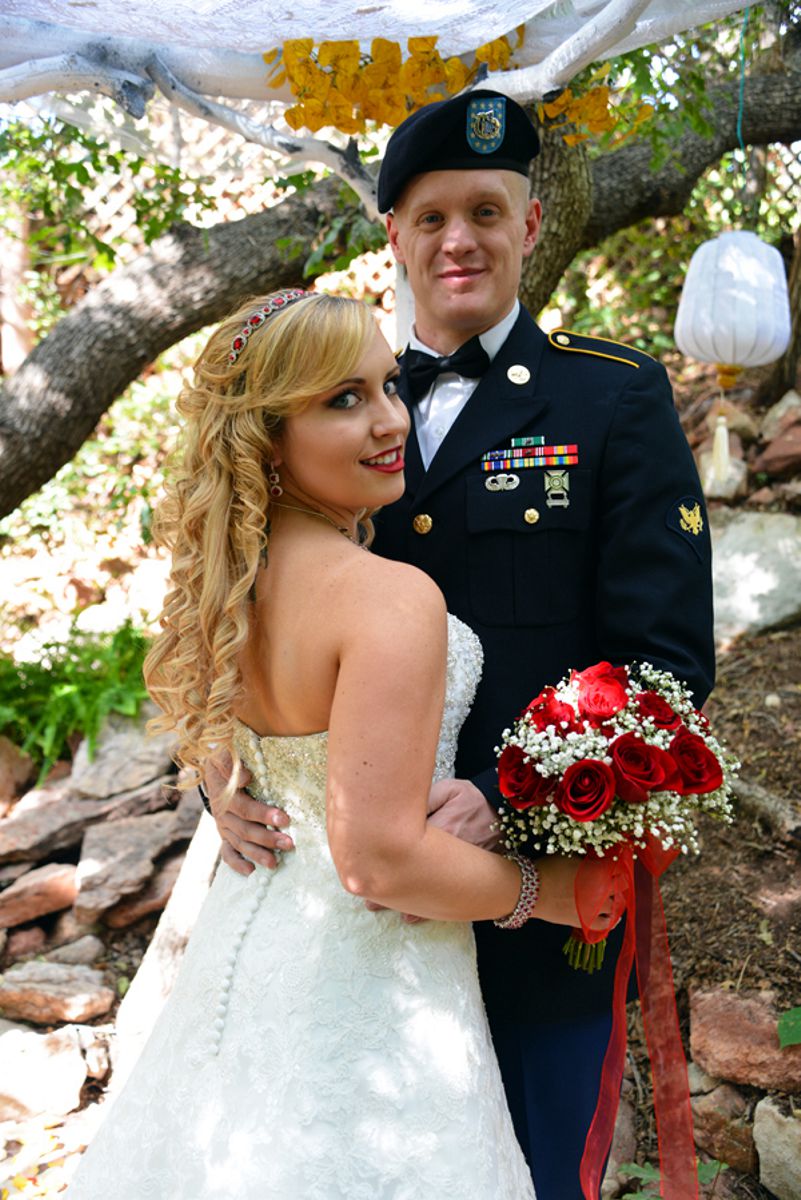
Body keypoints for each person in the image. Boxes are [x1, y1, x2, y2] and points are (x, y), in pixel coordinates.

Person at [208, 91, 715, 1198]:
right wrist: (215, 767)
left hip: (539, 885)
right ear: (393, 233)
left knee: (535, 1170)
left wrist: (502, 794)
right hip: (354, 921)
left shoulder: (612, 399)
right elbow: (229, 590)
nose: (459, 241)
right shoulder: (321, 400)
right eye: (432, 216)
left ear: (529, 225)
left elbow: (666, 669)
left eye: (486, 211)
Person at [66, 287, 585, 1198]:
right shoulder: (386, 598)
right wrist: (556, 894)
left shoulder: (227, 588)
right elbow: (378, 861)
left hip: (241, 958)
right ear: (268, 439)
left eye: (388, 386)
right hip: (371, 983)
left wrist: (223, 790)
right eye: (343, 400)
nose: (391, 421)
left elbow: (239, 750)